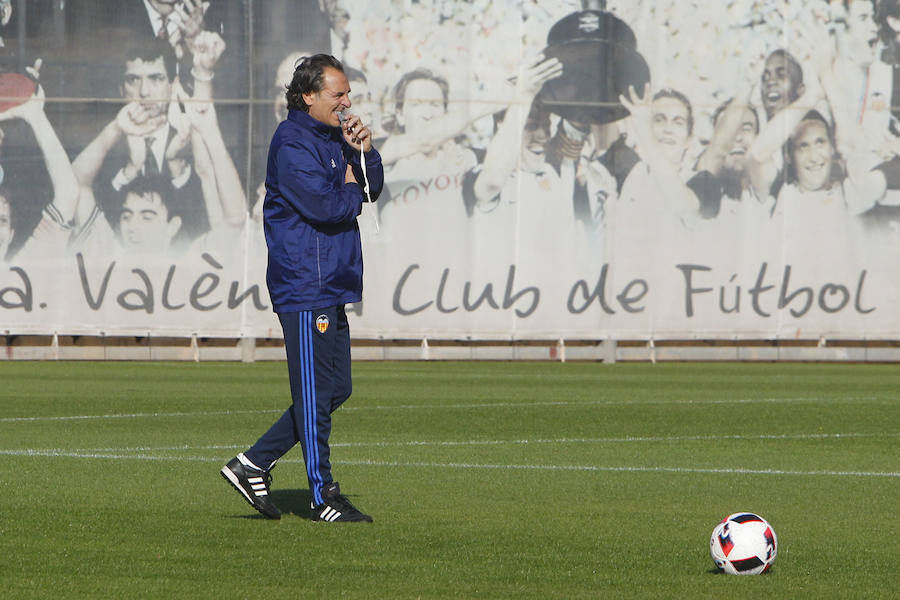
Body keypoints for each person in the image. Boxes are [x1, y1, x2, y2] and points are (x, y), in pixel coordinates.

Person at [221, 54, 383, 522]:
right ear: (308, 96)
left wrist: (365, 153)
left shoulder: (334, 136)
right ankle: (322, 495)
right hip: (306, 284)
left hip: (331, 281)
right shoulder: (291, 142)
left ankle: (252, 463)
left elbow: (369, 191)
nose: (347, 103)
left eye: (348, 93)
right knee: (316, 393)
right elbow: (328, 206)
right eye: (338, 94)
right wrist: (352, 184)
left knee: (335, 389)